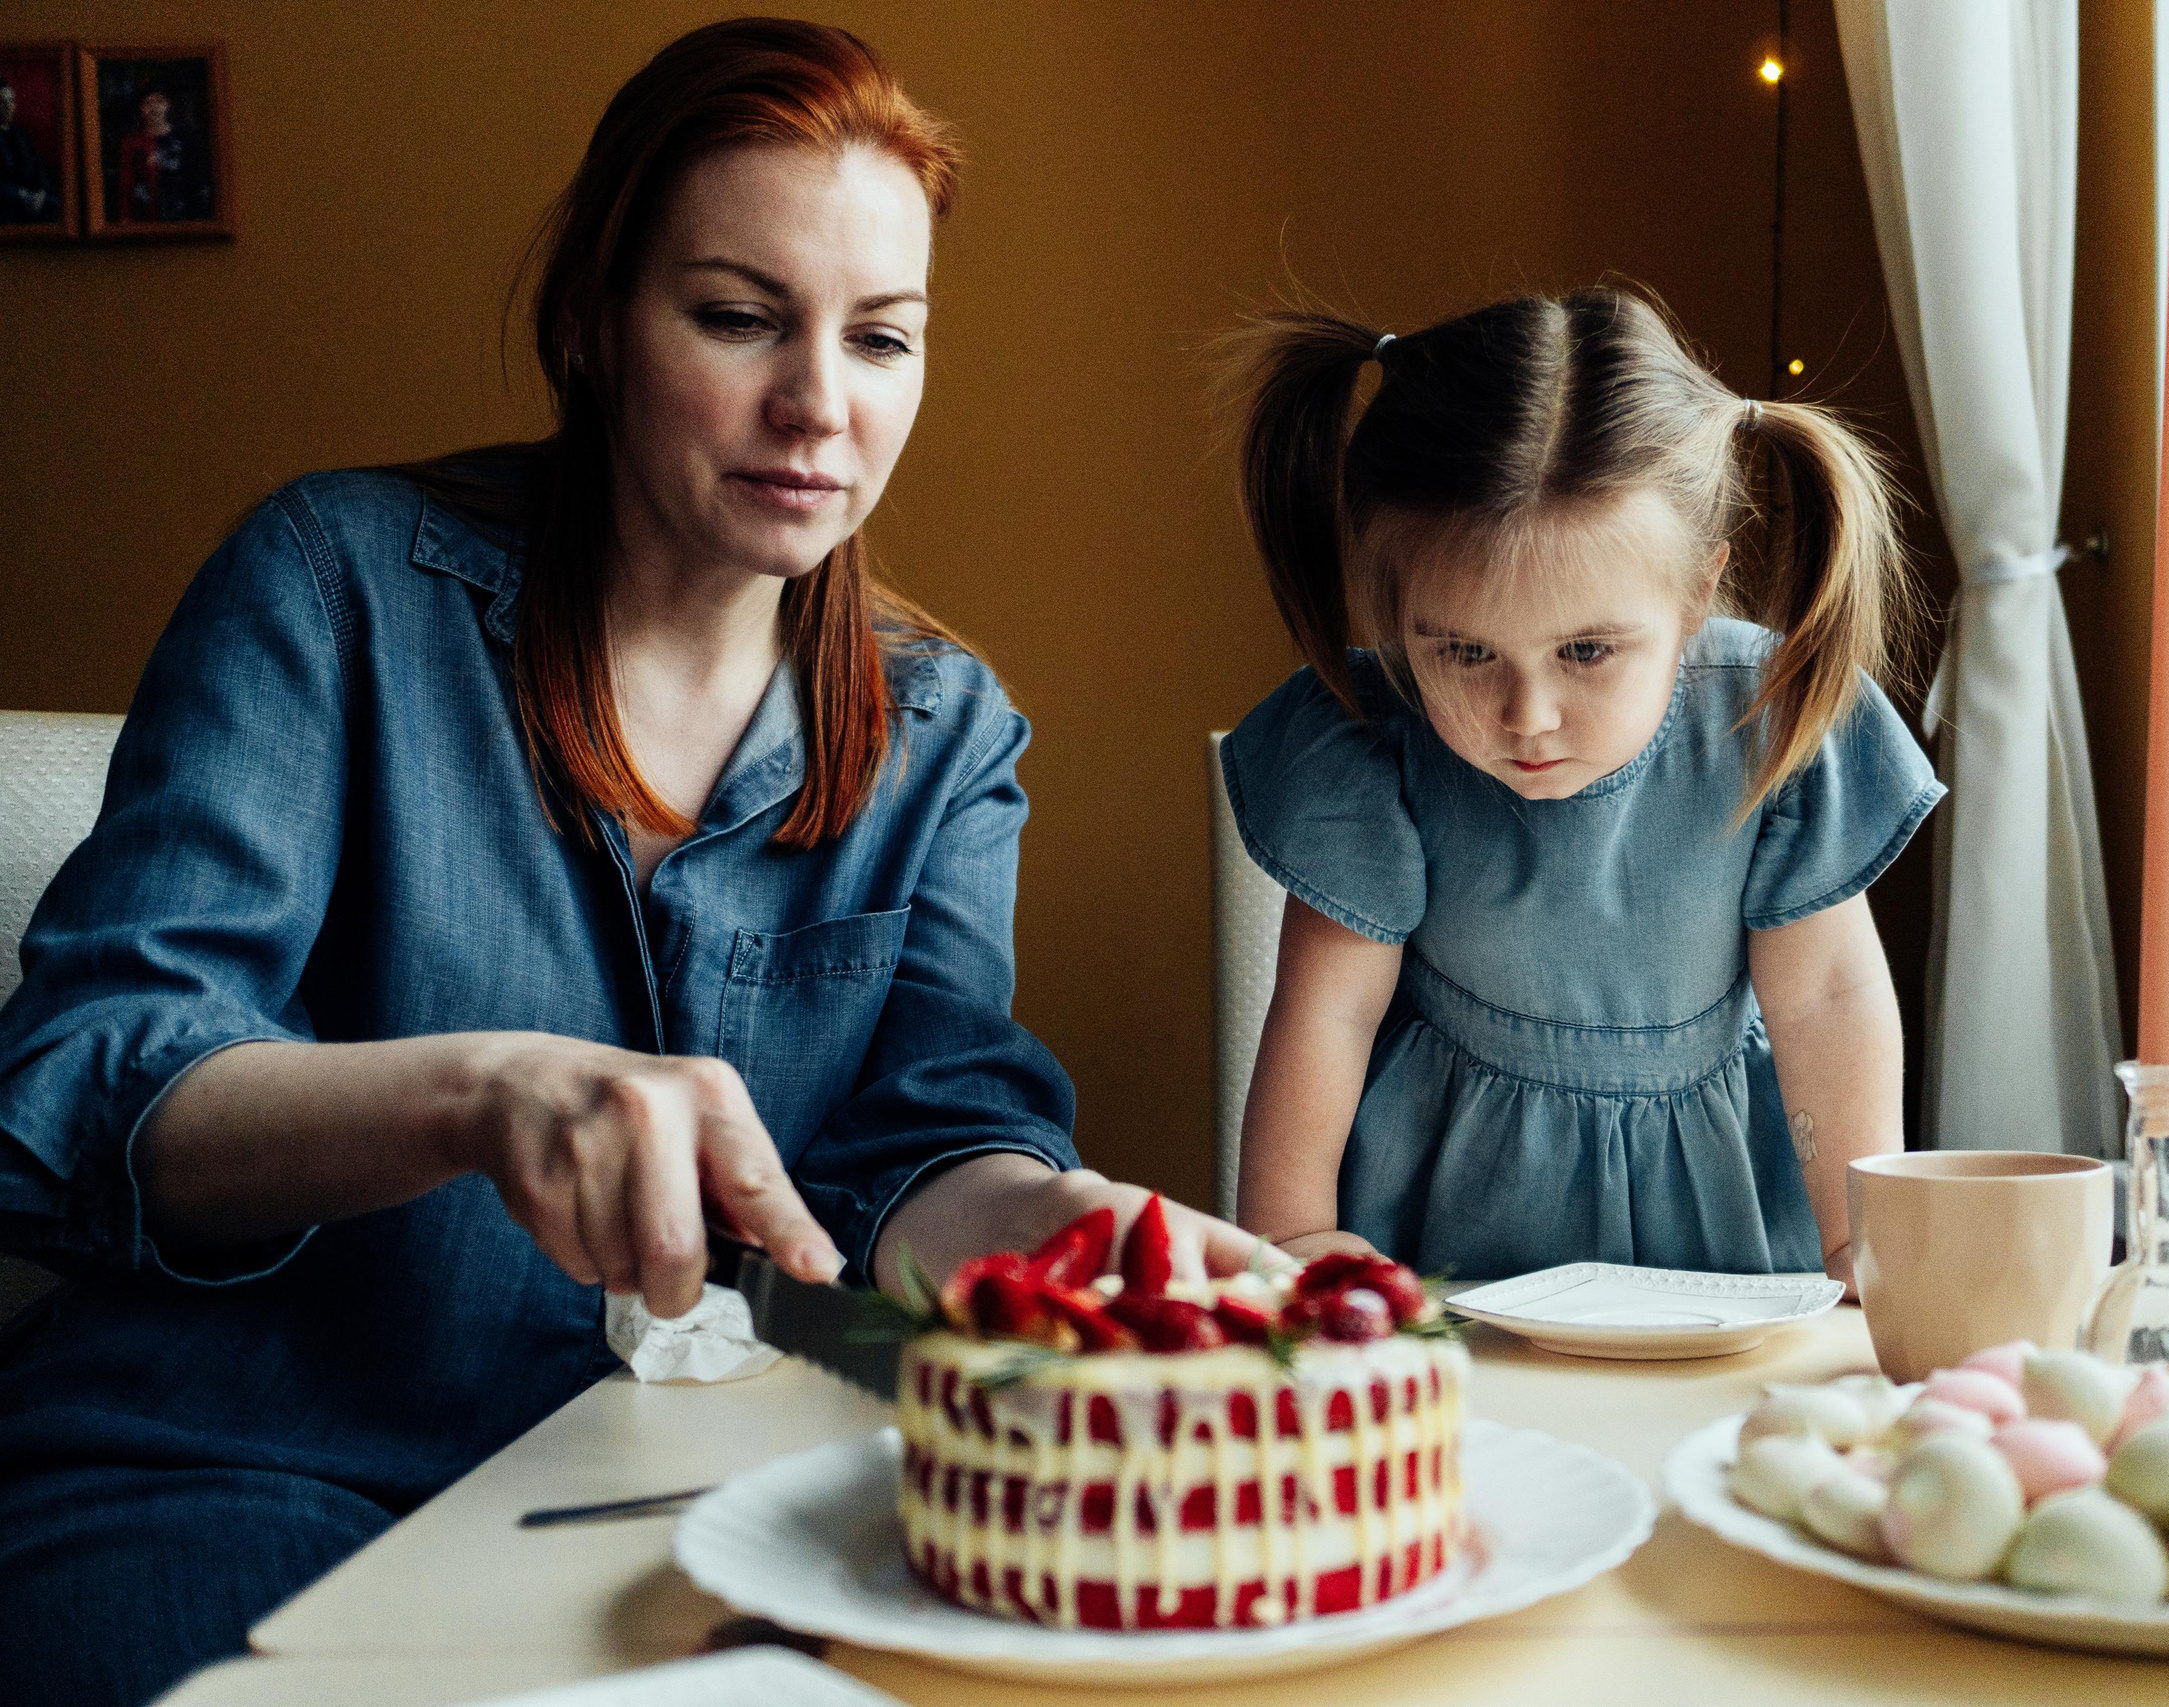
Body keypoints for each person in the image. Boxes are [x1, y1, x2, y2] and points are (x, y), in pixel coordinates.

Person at [0, 22, 1250, 1707]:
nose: (822, 402)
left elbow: (922, 1148)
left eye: (883, 337)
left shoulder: (946, 734)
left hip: (668, 1501)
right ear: (593, 320)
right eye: (739, 317)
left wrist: (1053, 1225)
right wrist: (480, 1094)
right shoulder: (331, 584)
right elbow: (91, 1083)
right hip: (221, 1468)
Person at [1221, 290, 1943, 1285]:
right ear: (1396, 615)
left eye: (1587, 650)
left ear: (1695, 592)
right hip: (1451, 1232)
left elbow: (1825, 998)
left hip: (1724, 1234)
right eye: (1464, 650)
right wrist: (1291, 1238)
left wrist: (1855, 1242)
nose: (1528, 713)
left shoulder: (1765, 720)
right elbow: (1324, 1011)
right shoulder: (1373, 745)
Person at [114, 85, 206, 223]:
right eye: (148, 103)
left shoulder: (185, 138)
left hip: (181, 214)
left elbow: (196, 177)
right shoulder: (132, 142)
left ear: (168, 105)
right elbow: (126, 181)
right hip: (144, 215)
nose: (154, 108)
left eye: (159, 102)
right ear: (141, 108)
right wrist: (125, 216)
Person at [0, 78, 61, 223]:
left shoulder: (23, 135)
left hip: (34, 201)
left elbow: (38, 169)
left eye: (11, 101)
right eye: (2, 102)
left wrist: (40, 193)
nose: (9, 106)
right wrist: (20, 194)